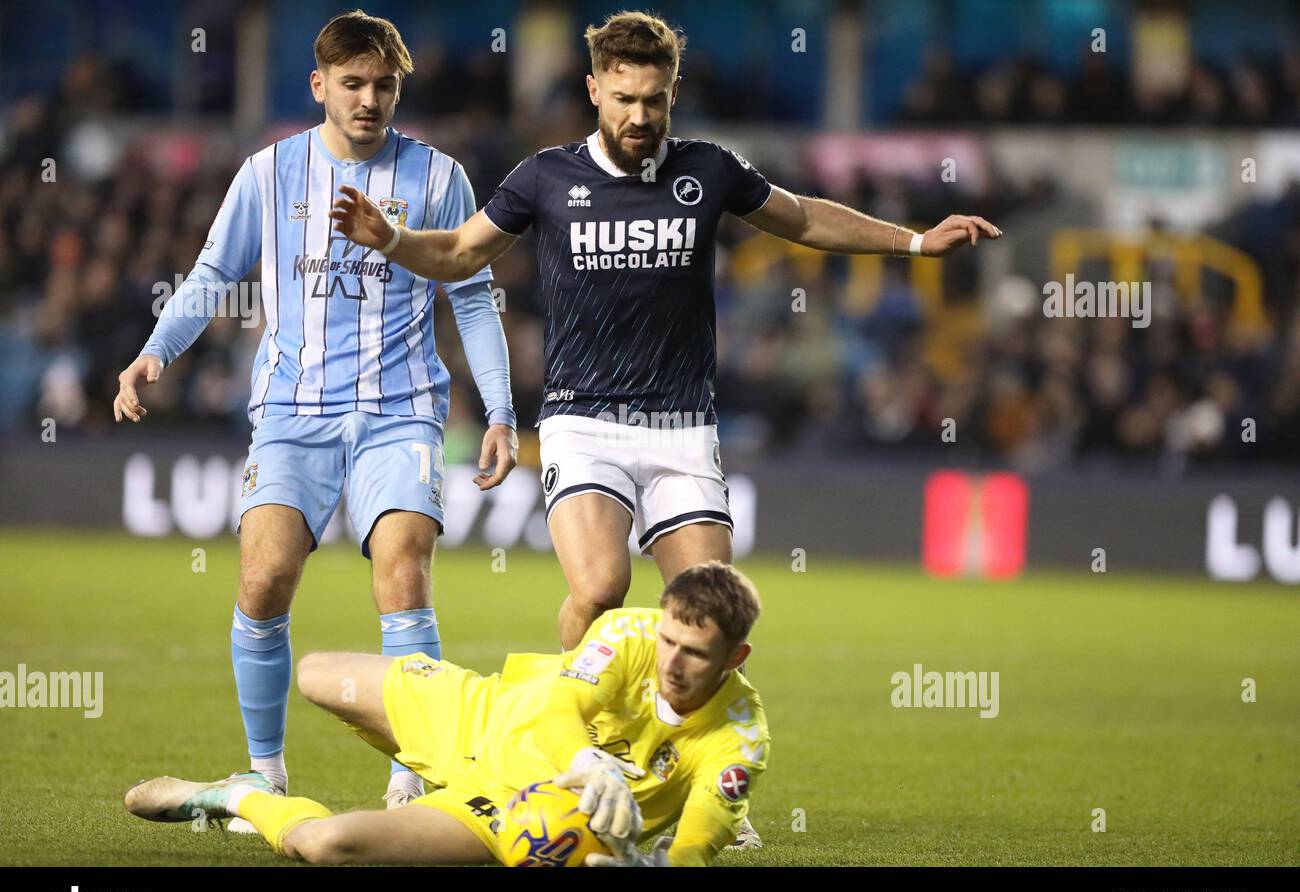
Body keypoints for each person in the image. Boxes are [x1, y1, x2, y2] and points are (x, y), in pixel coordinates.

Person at [328, 9, 1000, 844]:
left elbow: (801, 219)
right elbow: (463, 254)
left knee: (713, 617)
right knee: (601, 590)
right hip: (582, 422)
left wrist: (913, 242)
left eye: (653, 100)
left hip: (683, 428)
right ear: (594, 90)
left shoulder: (707, 171)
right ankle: (569, 751)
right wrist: (389, 236)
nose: (639, 117)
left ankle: (703, 786)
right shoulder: (545, 177)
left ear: (672, 92)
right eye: (623, 99)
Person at [112, 10, 518, 812]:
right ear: (319, 85)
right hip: (293, 414)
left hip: (400, 411)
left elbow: (472, 299)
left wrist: (501, 409)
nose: (369, 100)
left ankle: (418, 771)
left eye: (385, 86)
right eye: (353, 83)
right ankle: (265, 771)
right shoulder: (268, 173)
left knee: (403, 576)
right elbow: (211, 272)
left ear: (400, 89)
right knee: (263, 581)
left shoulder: (440, 178)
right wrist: (157, 350)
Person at [125, 562, 768, 868]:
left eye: (695, 653)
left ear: (735, 656)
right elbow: (559, 715)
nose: (673, 661)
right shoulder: (630, 632)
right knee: (316, 673)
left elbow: (695, 846)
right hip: (484, 718)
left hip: (509, 813)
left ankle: (237, 796)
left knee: (324, 847)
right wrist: (583, 761)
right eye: (670, 641)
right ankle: (415, 762)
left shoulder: (739, 740)